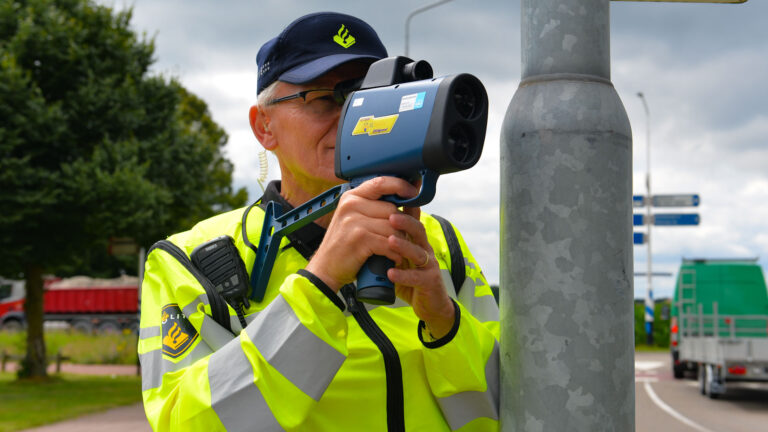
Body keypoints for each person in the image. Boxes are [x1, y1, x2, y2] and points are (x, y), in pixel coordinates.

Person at [138, 11, 499, 432]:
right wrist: (320, 283)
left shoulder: (442, 246)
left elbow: (511, 405)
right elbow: (188, 423)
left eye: (367, 96)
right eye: (325, 98)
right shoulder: (192, 261)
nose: (352, 117)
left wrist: (445, 323)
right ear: (264, 126)